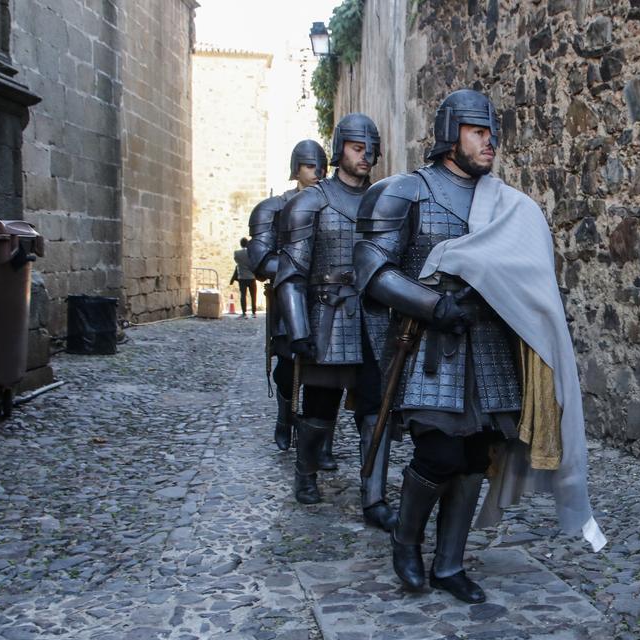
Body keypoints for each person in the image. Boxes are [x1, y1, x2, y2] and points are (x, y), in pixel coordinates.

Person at [356, 89, 604, 604]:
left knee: (473, 459)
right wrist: (432, 306)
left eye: (492, 133)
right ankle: (407, 541)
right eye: (478, 132)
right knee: (439, 451)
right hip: (430, 348)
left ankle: (449, 565)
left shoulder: (506, 205)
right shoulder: (406, 192)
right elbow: (373, 272)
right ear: (450, 136)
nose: (490, 142)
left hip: (489, 348)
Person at [274, 114, 394, 533]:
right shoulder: (311, 201)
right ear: (340, 147)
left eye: (371, 149)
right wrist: (299, 330)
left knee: (375, 410)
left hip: (375, 317)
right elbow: (290, 275)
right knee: (320, 410)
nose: (366, 155)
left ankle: (374, 496)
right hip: (327, 316)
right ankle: (305, 472)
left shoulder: (386, 200)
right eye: (358, 148)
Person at [246, 140, 332, 459]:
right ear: (297, 169)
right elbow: (259, 260)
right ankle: (285, 418)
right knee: (287, 368)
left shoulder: (333, 204)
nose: (318, 172)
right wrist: (296, 271)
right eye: (311, 166)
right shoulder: (275, 207)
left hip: (327, 299)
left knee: (327, 372)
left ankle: (322, 441)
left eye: (322, 166)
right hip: (288, 297)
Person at [231, 239, 258, 317]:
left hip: (242, 277)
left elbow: (237, 262)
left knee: (243, 295)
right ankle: (254, 312)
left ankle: (244, 313)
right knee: (253, 295)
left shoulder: (237, 253)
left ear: (240, 244)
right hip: (252, 277)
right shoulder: (251, 253)